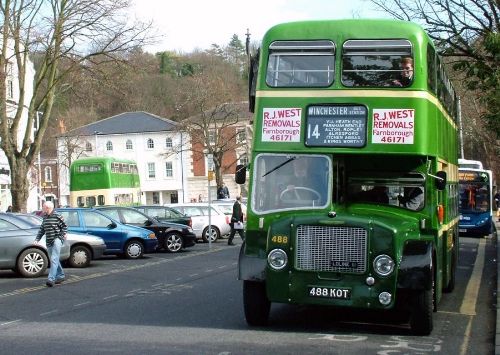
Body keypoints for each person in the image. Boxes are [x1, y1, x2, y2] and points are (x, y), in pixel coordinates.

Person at [34, 201, 67, 287]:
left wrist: (62, 235)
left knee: (54, 259)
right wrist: (37, 239)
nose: (42, 208)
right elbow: (42, 229)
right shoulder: (45, 217)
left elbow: (64, 226)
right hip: (49, 240)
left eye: (43, 207)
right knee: (54, 259)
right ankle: (61, 275)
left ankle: (51, 279)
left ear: (48, 208)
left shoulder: (57, 216)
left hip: (57, 239)